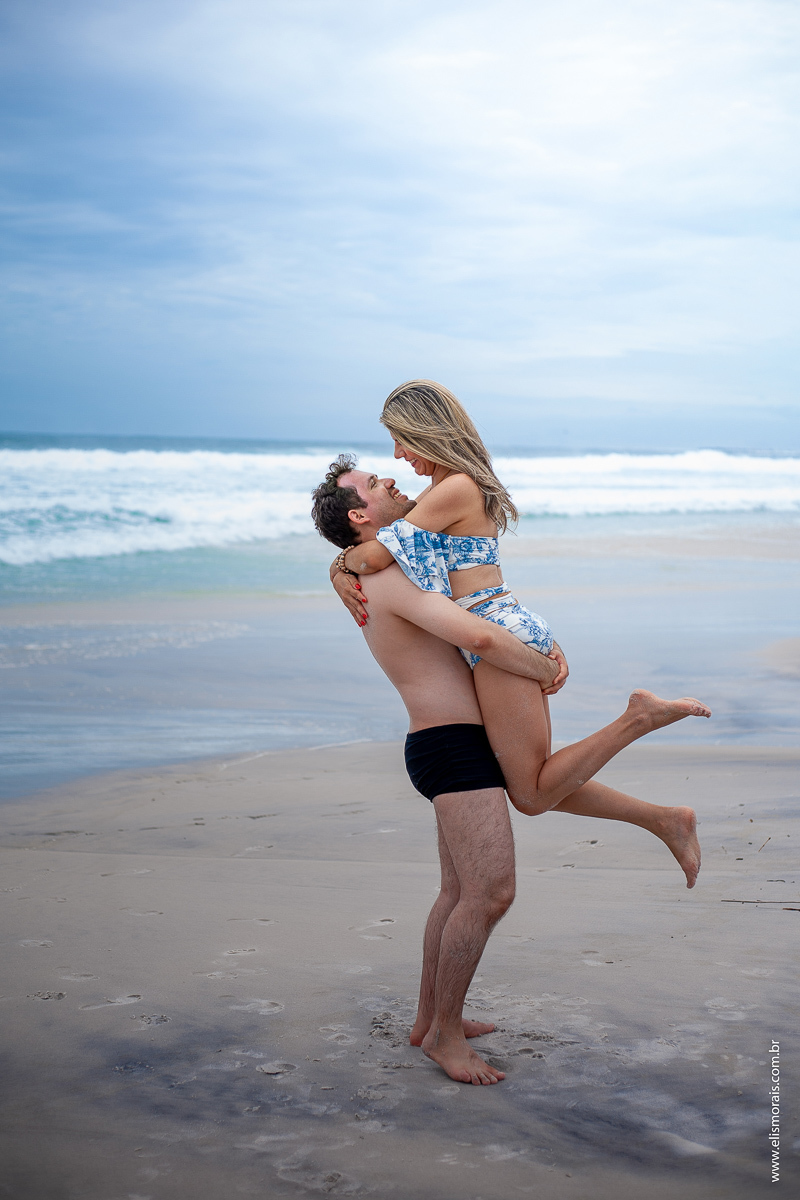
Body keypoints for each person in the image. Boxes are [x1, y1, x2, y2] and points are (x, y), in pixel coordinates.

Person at [310, 466, 706, 1086]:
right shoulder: (383, 575)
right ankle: (444, 1035)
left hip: (451, 742)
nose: (390, 477)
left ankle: (429, 1019)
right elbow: (476, 637)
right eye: (373, 482)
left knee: (459, 891)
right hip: (450, 748)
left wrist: (335, 568)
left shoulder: (380, 565)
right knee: (491, 894)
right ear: (359, 515)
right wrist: (542, 665)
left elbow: (429, 581)